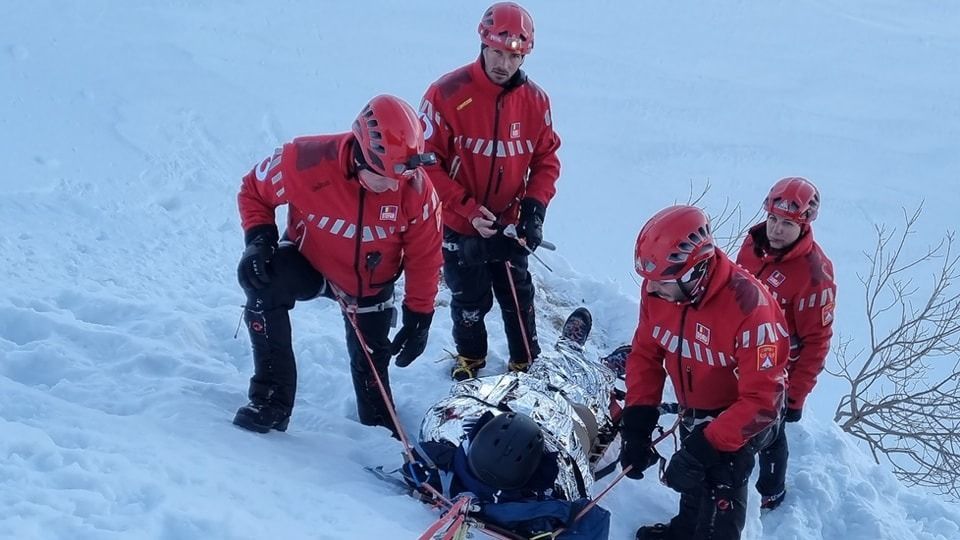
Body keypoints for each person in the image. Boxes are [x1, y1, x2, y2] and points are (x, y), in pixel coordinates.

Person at [232, 94, 442, 437]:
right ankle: (270, 399)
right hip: (309, 263)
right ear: (360, 153)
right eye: (382, 176)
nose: (392, 185)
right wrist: (259, 242)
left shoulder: (416, 189)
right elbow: (253, 190)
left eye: (400, 177)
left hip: (369, 283)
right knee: (264, 283)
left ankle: (378, 434)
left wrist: (420, 316)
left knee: (373, 372)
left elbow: (426, 256)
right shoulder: (303, 161)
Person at [619, 205, 789, 540]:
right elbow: (646, 354)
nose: (651, 291)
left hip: (750, 413)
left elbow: (763, 400)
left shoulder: (749, 308)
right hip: (697, 402)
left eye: (662, 283)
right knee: (691, 470)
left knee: (719, 474)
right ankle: (685, 529)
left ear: (695, 271)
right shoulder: (660, 289)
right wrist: (637, 421)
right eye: (649, 282)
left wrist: (708, 445)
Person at [419, 1, 562, 380]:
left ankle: (526, 362)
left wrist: (534, 211)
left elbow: (546, 160)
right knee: (468, 297)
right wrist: (465, 209)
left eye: (514, 56)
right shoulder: (445, 93)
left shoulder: (537, 102)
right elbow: (425, 163)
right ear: (482, 44)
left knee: (518, 295)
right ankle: (470, 359)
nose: (504, 63)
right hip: (459, 221)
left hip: (510, 221)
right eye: (497, 52)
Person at [736, 177, 836, 510]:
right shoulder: (753, 245)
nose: (777, 230)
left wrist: (796, 395)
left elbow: (817, 341)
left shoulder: (815, 275)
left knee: (771, 431)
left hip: (779, 370)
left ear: (804, 224)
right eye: (774, 219)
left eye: (787, 224)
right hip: (739, 353)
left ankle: (771, 488)